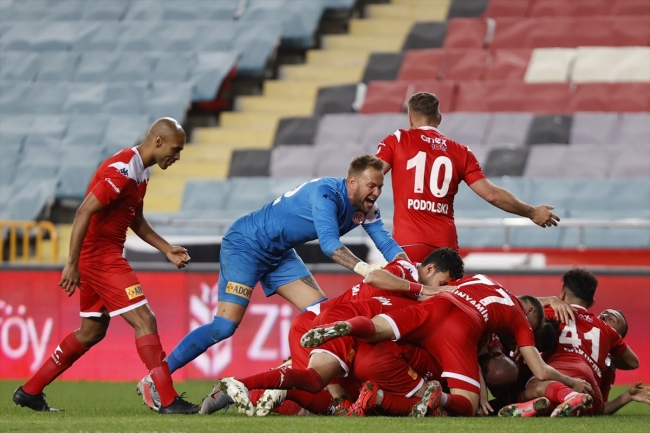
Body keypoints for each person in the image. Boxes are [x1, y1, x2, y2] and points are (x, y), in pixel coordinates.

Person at [139, 155, 407, 408]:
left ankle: (317, 388)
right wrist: (366, 269)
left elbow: (386, 242)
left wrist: (409, 268)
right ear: (352, 182)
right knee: (224, 326)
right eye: (371, 186)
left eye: (380, 187)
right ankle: (155, 378)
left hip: (279, 253)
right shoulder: (326, 194)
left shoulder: (366, 208)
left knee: (321, 315)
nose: (376, 192)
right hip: (247, 244)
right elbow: (329, 244)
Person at [12, 118, 199, 414]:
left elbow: (135, 219)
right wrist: (71, 264)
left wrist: (166, 249)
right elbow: (83, 211)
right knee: (145, 321)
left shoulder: (141, 172)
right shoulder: (122, 170)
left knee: (91, 331)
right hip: (101, 259)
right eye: (175, 150)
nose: (177, 156)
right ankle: (167, 399)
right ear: (158, 141)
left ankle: (30, 391)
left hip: (102, 256)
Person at [199, 248, 463, 417]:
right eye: (442, 283)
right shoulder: (407, 271)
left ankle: (254, 393)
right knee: (321, 388)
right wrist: (427, 290)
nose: (441, 291)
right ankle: (242, 384)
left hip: (324, 322)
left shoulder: (411, 294)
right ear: (430, 269)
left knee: (327, 400)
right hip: (333, 324)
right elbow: (374, 277)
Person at [302, 274, 594, 417]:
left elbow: (452, 291)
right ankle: (438, 398)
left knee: (378, 328)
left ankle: (348, 326)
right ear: (529, 313)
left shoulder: (482, 279)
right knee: (467, 405)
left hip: (438, 304)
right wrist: (573, 381)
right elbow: (540, 371)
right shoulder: (519, 321)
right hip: (460, 329)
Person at [375, 91, 560, 262]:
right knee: (447, 289)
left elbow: (371, 176)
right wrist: (531, 212)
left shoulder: (397, 140)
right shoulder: (461, 152)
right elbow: (492, 195)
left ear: (410, 119)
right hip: (444, 246)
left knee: (403, 288)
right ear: (439, 118)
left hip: (408, 242)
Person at [498, 269, 639, 418]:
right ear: (591, 303)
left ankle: (557, 398)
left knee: (532, 386)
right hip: (591, 389)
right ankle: (547, 405)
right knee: (575, 402)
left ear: (563, 294)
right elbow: (633, 362)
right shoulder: (607, 331)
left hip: (557, 373)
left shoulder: (549, 312)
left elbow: (508, 304)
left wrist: (548, 300)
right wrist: (606, 350)